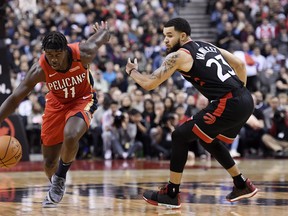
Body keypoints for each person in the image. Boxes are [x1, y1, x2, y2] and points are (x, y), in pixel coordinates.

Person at [125, 17, 258, 208]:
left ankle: (171, 194)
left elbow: (149, 84)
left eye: (170, 36)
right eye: (164, 36)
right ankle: (241, 184)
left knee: (179, 135)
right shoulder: (207, 45)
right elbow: (240, 65)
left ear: (183, 35)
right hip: (245, 97)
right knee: (207, 138)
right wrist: (239, 94)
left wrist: (132, 72)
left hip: (229, 101)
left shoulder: (178, 56)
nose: (165, 40)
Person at [0, 21, 110, 207]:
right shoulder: (40, 69)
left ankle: (60, 179)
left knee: (71, 134)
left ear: (66, 51)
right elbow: (15, 97)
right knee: (49, 161)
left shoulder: (83, 53)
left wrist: (104, 31)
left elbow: (102, 38)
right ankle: (56, 184)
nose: (54, 60)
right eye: (49, 55)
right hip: (56, 104)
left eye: (57, 55)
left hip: (82, 99)